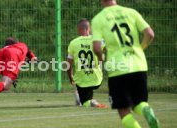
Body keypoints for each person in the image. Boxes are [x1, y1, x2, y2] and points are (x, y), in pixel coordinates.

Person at [91, 0, 159, 128]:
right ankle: (146, 110)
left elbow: (96, 48)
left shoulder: (98, 19)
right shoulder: (131, 12)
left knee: (123, 110)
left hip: (118, 68)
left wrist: (101, 57)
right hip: (139, 65)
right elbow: (150, 34)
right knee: (139, 103)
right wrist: (140, 49)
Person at [67, 19, 107, 108]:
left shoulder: (73, 43)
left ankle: (87, 100)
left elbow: (68, 64)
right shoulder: (97, 40)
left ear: (78, 29)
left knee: (84, 102)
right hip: (96, 79)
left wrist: (71, 77)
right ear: (89, 28)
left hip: (81, 80)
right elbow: (107, 48)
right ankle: (88, 99)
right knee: (89, 87)